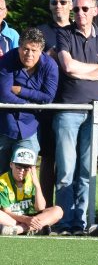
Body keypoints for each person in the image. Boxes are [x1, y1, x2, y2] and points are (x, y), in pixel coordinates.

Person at [53, 0, 98, 234]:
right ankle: (64, 222)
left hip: (94, 112)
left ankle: (81, 222)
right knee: (67, 170)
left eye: (85, 9)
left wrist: (83, 72)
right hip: (68, 110)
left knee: (88, 170)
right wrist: (95, 70)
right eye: (76, 9)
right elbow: (67, 66)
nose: (80, 13)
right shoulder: (64, 34)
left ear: (94, 11)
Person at [0, 28, 59, 174]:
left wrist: (21, 91)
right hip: (4, 126)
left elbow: (48, 97)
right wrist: (29, 103)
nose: (29, 54)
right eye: (25, 49)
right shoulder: (8, 59)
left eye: (34, 50)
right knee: (1, 176)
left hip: (30, 128)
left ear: (41, 51)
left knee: (25, 178)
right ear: (19, 47)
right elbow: (4, 95)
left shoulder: (50, 66)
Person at [36, 0, 73, 206]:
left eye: (62, 2)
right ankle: (45, 210)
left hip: (74, 103)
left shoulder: (80, 30)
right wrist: (48, 55)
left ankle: (68, 212)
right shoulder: (40, 32)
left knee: (71, 162)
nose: (57, 6)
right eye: (53, 2)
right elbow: (28, 64)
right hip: (48, 104)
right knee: (48, 158)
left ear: (70, 4)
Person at [0, 147, 63, 235]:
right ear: (11, 164)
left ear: (32, 168)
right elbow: (6, 211)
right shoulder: (2, 182)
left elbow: (40, 208)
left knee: (58, 210)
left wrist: (37, 185)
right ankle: (34, 229)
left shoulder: (32, 179)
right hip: (14, 219)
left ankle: (19, 230)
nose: (22, 171)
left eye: (26, 168)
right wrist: (25, 219)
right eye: (18, 167)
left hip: (33, 218)